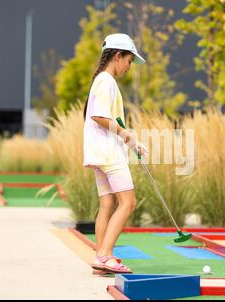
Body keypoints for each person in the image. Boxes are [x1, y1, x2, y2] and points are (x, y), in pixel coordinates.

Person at [83, 33, 148, 274]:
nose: (129, 67)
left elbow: (108, 119)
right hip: (109, 155)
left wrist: (130, 140)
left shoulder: (102, 81)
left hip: (100, 153)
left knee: (107, 203)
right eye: (129, 61)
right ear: (118, 56)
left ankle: (101, 260)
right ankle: (105, 255)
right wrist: (125, 134)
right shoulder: (107, 81)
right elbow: (99, 117)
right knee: (128, 203)